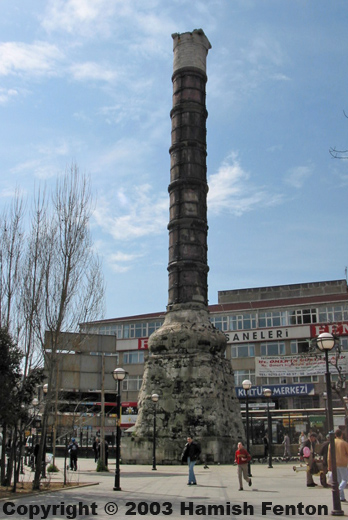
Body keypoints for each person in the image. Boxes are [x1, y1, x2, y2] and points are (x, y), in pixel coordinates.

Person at [328, 429, 348, 502]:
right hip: (343, 463)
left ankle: (341, 497)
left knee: (339, 480)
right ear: (341, 435)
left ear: (335, 435)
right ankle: (340, 489)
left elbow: (329, 455)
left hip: (334, 463)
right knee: (345, 479)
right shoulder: (344, 443)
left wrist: (329, 465)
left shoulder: (331, 443)